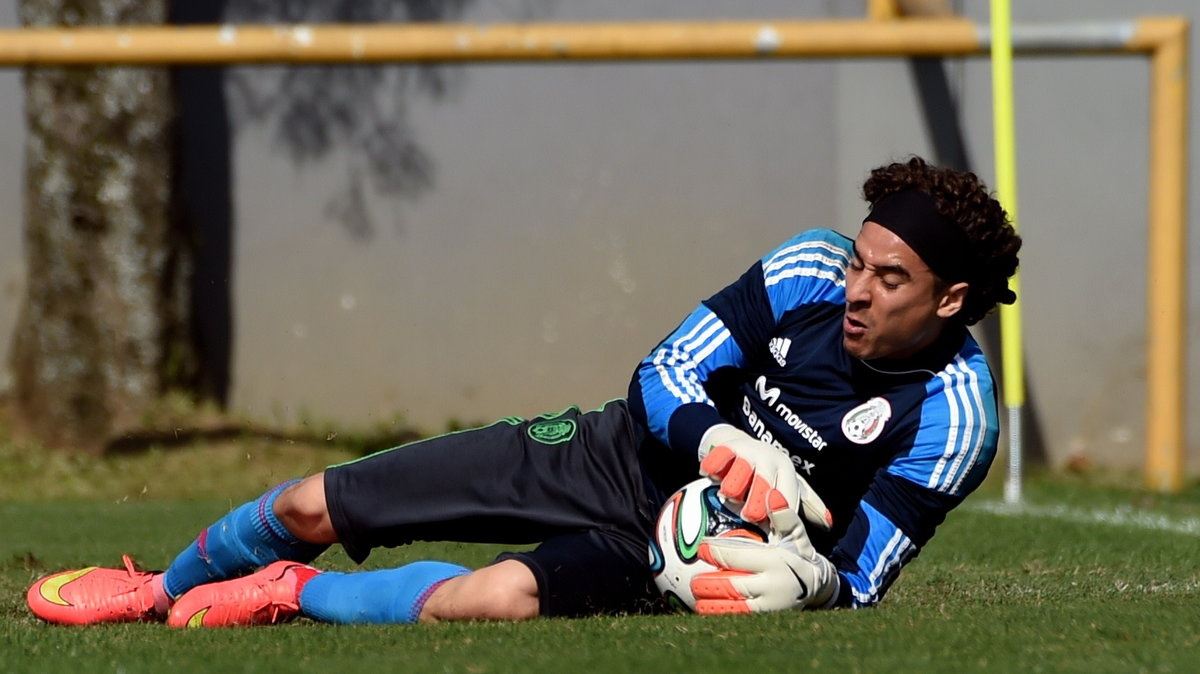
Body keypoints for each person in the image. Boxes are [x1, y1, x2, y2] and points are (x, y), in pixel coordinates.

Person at [26, 155, 1021, 626]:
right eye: (861, 260)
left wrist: (813, 582)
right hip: (614, 449)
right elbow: (665, 370)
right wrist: (721, 438)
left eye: (889, 280)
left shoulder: (955, 413)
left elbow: (869, 568)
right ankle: (155, 587)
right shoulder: (806, 266)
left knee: (492, 597)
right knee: (308, 500)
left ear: (952, 298)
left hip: (671, 545)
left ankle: (290, 590)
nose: (856, 288)